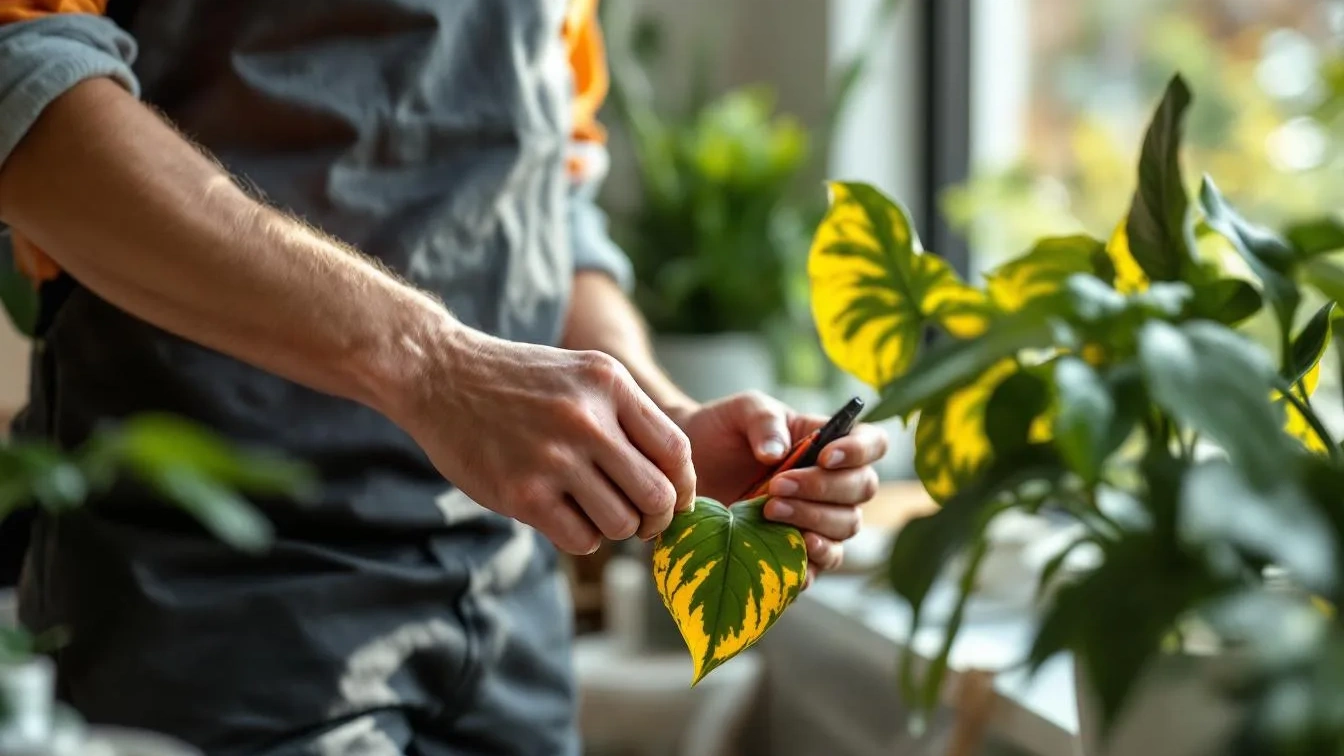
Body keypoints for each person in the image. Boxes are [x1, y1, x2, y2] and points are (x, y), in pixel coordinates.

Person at [0, 1, 888, 754]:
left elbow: (547, 196)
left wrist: (659, 421)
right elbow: (24, 84)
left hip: (509, 627)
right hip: (215, 610)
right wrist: (435, 367)